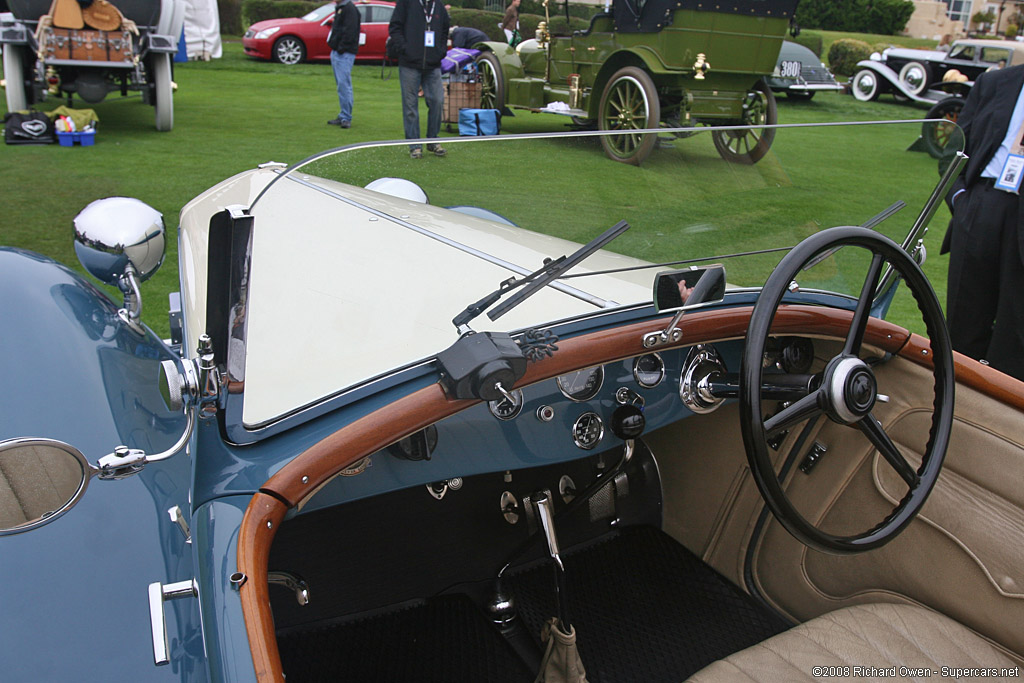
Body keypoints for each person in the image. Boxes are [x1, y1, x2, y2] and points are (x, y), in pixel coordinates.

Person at [941, 63, 1024, 381]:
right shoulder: (994, 83)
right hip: (980, 207)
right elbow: (953, 152)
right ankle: (954, 412)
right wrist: (961, 201)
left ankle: (1004, 426)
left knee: (1014, 337)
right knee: (963, 328)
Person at [388, 0, 450, 158]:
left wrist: (440, 51)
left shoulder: (438, 6)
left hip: (433, 63)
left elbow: (444, 29)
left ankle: (433, 140)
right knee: (410, 105)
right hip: (409, 62)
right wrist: (404, 48)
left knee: (437, 100)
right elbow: (394, 27)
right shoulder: (406, 3)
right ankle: (415, 145)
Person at [326, 0, 360, 128]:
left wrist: (341, 47)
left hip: (344, 52)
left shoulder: (349, 9)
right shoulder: (341, 8)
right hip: (338, 51)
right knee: (341, 85)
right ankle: (343, 114)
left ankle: (346, 117)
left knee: (344, 85)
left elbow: (349, 31)